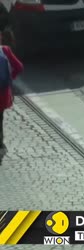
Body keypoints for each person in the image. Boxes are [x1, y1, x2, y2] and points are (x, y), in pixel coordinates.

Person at [0, 31, 24, 165]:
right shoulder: (5, 50)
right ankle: (0, 144)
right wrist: (10, 80)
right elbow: (19, 67)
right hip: (2, 94)